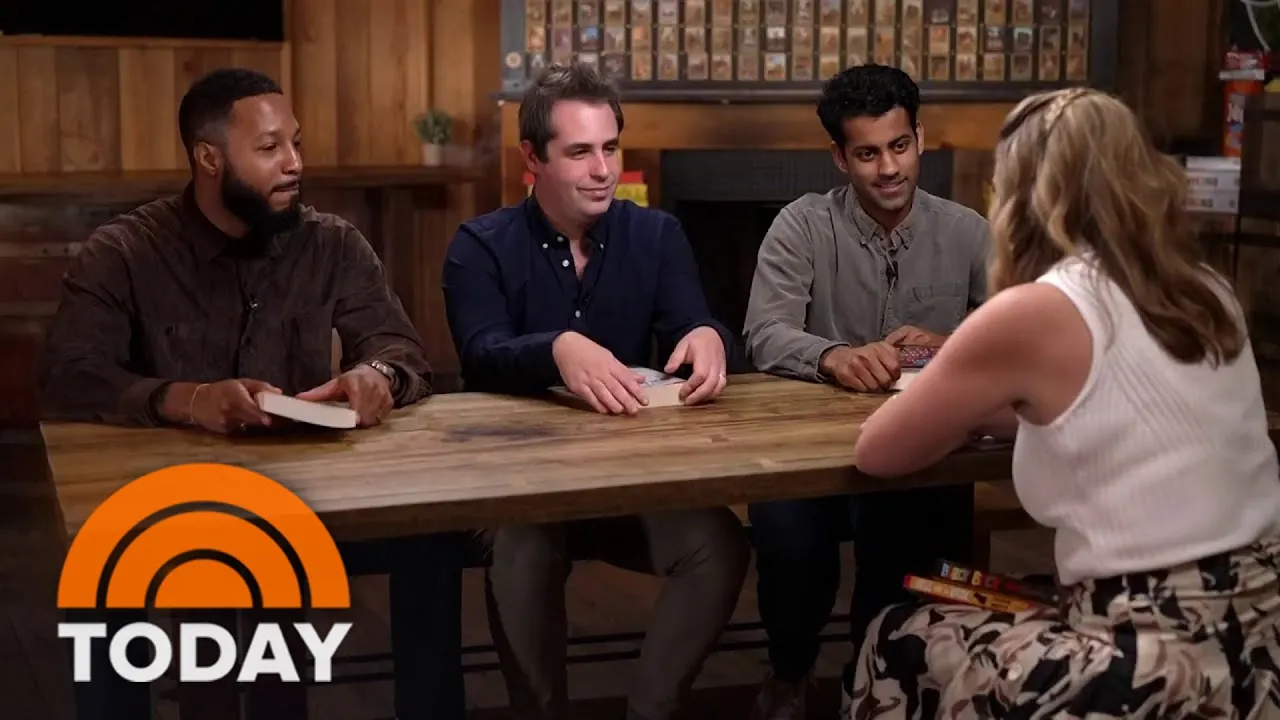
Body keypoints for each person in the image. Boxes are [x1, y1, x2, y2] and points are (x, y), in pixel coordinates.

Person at [39, 68, 465, 720]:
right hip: (174, 504)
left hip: (309, 501)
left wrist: (377, 375)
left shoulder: (331, 243)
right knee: (101, 565)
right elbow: (68, 376)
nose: (294, 163)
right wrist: (189, 400)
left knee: (429, 537)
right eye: (269, 148)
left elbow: (401, 350)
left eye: (296, 142)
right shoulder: (125, 251)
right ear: (209, 159)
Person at [849, 87, 1280, 719]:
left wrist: (962, 403)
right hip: (1262, 632)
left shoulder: (1036, 308)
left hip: (1147, 654)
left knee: (895, 635)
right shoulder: (1206, 289)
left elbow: (878, 452)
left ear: (1023, 195)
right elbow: (1111, 409)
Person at [441, 62, 749, 720]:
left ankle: (651, 712)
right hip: (519, 488)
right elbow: (481, 353)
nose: (603, 169)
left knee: (719, 544)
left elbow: (692, 324)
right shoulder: (480, 246)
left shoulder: (657, 235)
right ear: (533, 158)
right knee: (523, 550)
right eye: (580, 152)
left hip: (627, 479)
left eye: (611, 148)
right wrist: (556, 347)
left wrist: (709, 336)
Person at [741, 64, 992, 719]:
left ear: (920, 138)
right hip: (809, 450)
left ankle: (880, 687)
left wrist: (949, 344)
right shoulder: (801, 224)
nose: (889, 168)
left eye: (900, 146)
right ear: (839, 157)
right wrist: (831, 356)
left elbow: (1011, 338)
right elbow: (764, 333)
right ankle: (791, 670)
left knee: (908, 535)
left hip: (920, 450)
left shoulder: (968, 231)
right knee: (788, 532)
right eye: (868, 153)